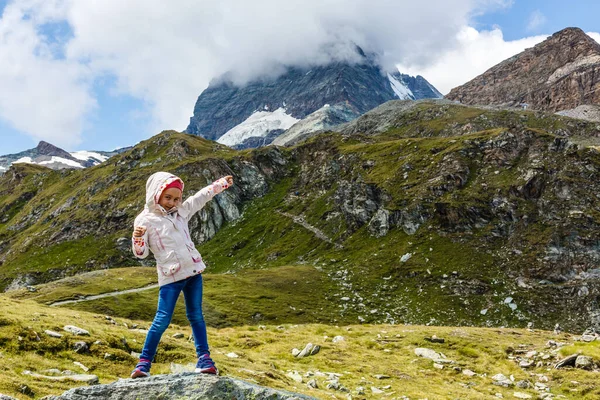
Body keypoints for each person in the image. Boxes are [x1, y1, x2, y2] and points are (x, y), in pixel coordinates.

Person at [129, 171, 233, 378]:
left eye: (177, 198)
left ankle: (204, 360)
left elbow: (200, 198)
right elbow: (141, 254)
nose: (172, 202)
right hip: (170, 277)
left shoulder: (181, 211)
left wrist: (220, 184)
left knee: (196, 316)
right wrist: (138, 239)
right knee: (161, 320)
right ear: (156, 194)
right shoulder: (144, 220)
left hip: (193, 272)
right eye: (168, 197)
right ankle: (143, 364)